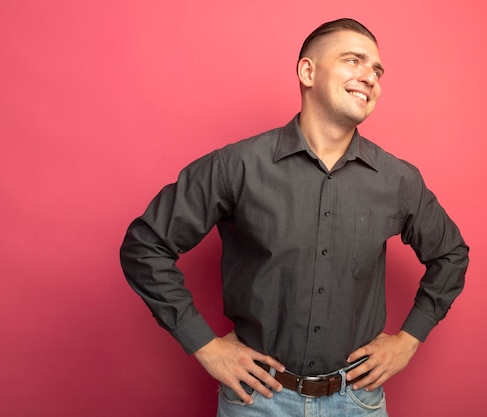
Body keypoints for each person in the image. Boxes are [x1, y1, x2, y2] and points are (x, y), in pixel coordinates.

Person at [120, 18, 469, 417]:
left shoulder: (399, 180)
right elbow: (144, 246)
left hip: (358, 402)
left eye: (377, 70)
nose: (369, 77)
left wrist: (410, 339)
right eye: (354, 61)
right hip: (255, 401)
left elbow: (451, 255)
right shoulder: (237, 166)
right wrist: (205, 345)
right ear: (307, 71)